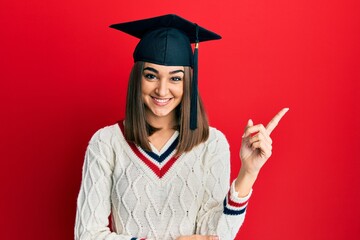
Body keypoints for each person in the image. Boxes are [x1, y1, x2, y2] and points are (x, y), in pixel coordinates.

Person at [75, 14, 288, 240]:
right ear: (138, 78)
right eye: (151, 76)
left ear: (188, 82)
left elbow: (216, 235)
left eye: (175, 78)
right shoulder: (106, 142)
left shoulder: (212, 144)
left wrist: (248, 172)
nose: (162, 90)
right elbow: (87, 234)